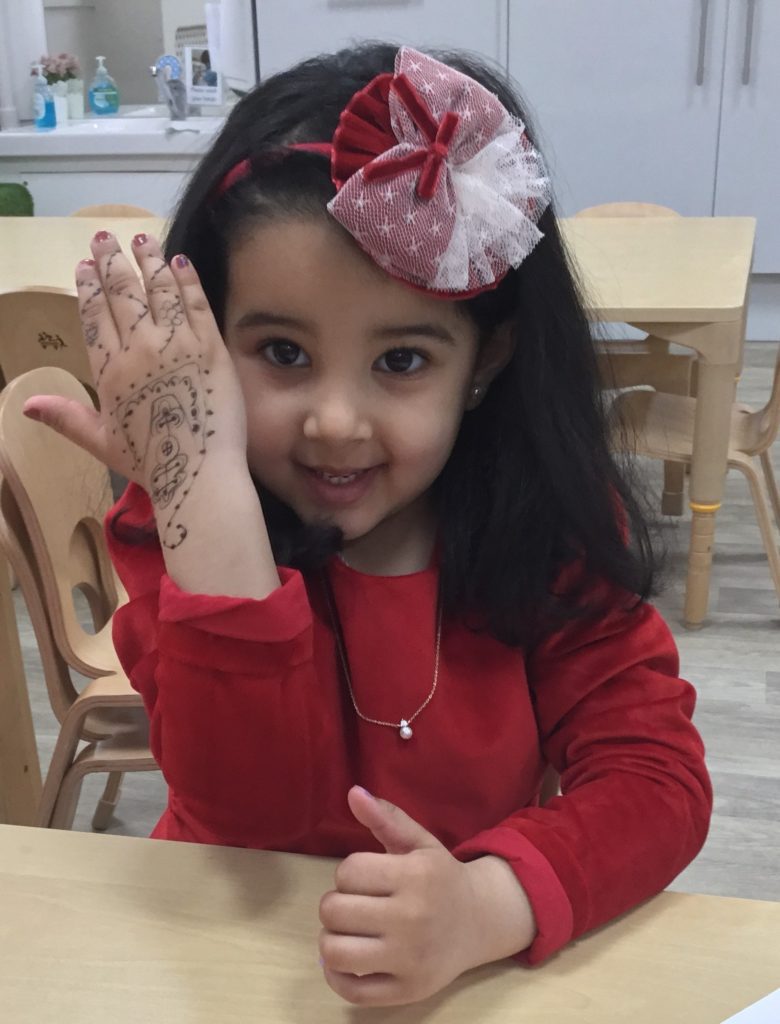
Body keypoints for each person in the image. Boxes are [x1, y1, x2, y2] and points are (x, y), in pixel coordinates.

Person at [23, 43, 712, 1007]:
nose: (336, 422)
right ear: (207, 336)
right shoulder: (179, 517)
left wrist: (489, 903)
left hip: (463, 971)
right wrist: (206, 496)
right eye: (282, 352)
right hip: (224, 951)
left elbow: (655, 778)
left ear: (485, 361)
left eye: (401, 362)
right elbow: (249, 816)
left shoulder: (544, 523)